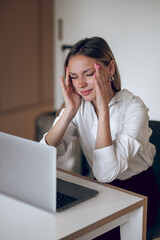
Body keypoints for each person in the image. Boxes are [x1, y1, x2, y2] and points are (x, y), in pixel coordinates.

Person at [40, 37, 159, 231]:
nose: (81, 84)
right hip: (102, 188)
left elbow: (106, 173)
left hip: (138, 192)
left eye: (88, 74)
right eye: (74, 76)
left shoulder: (134, 108)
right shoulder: (79, 105)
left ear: (110, 69)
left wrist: (103, 110)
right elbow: (43, 155)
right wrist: (69, 111)